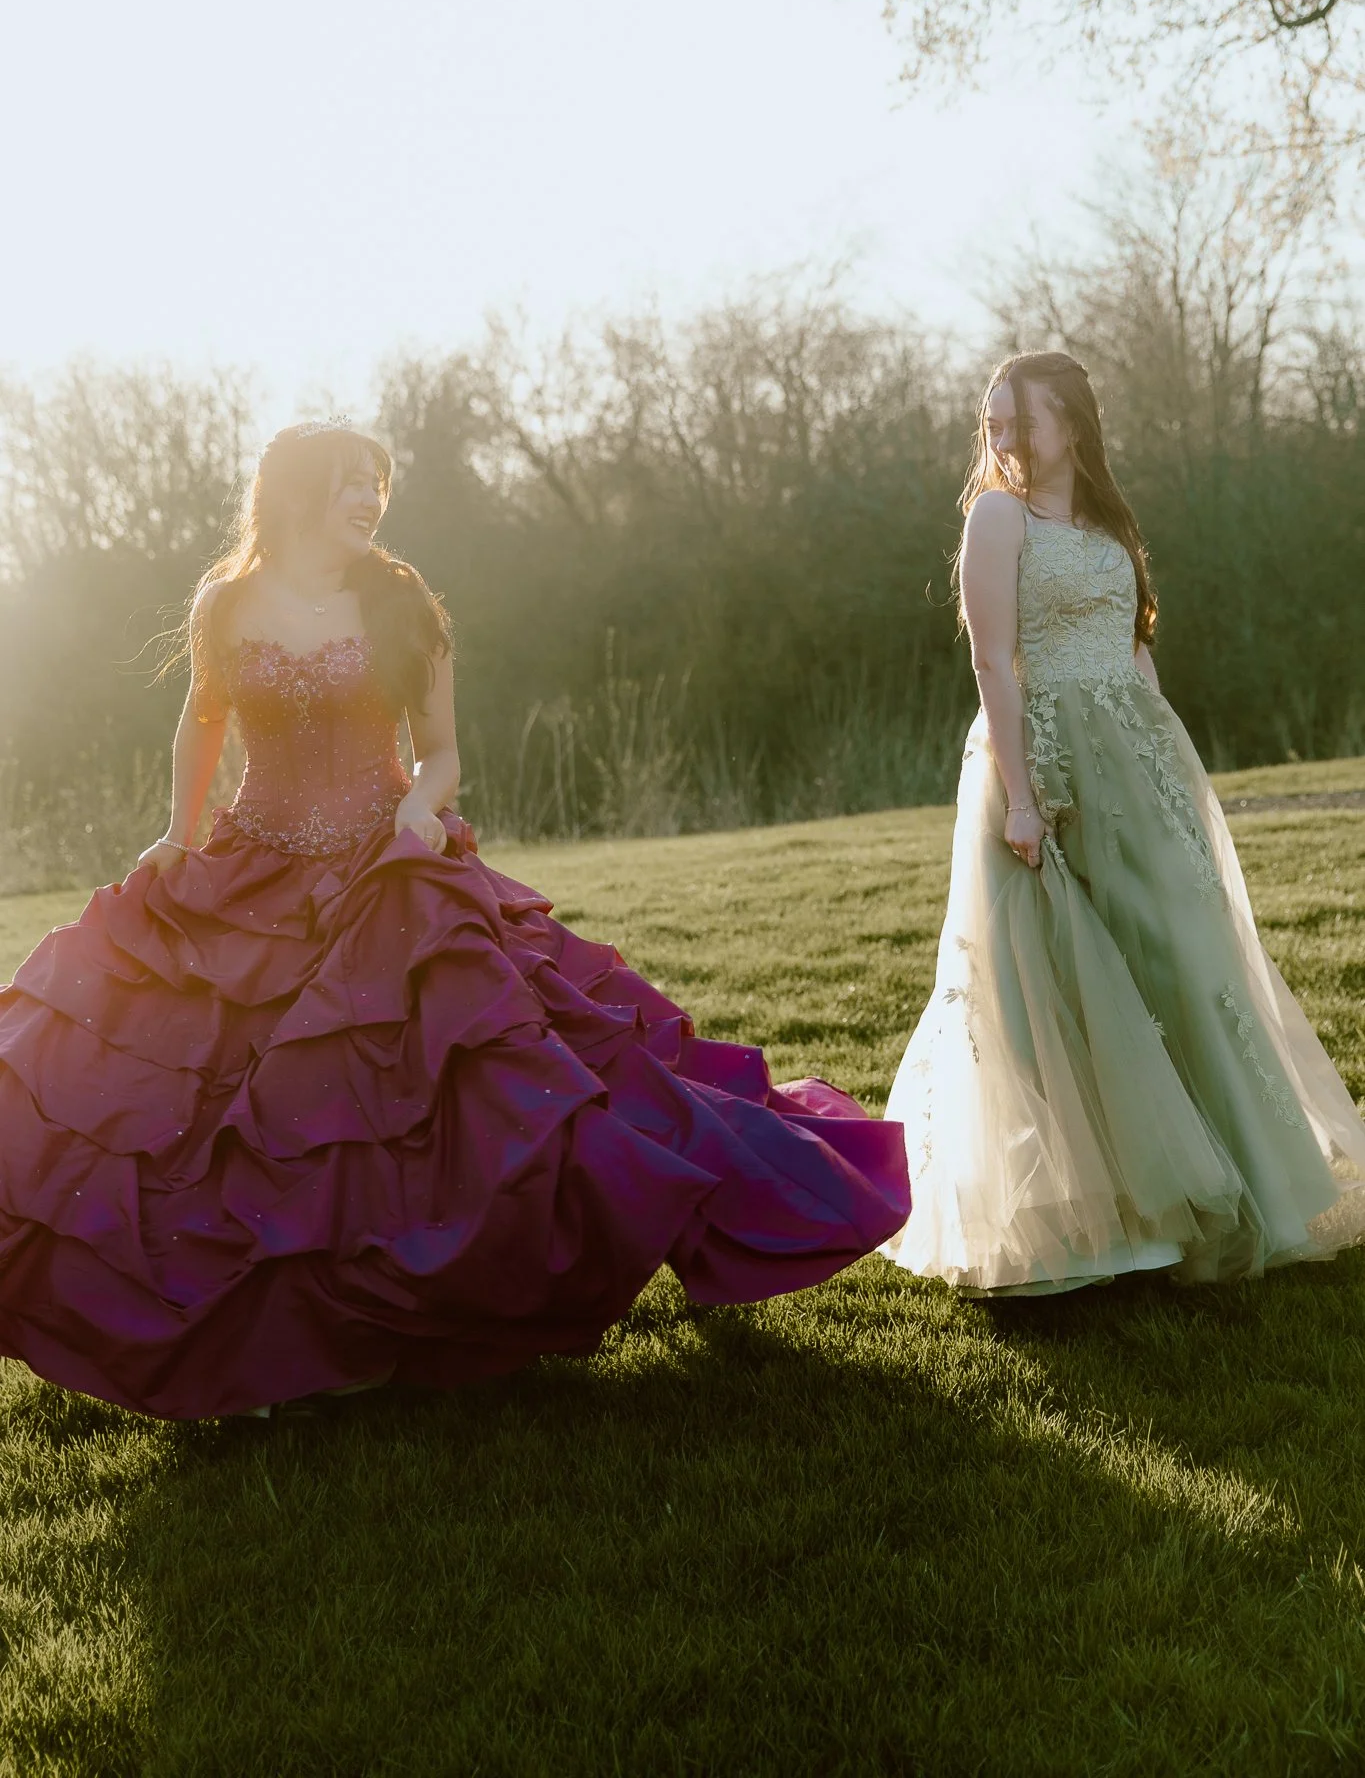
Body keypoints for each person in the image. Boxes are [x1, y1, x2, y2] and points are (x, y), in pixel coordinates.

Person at [0, 420, 909, 1418]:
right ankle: (262, 1330)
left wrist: (421, 809)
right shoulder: (226, 603)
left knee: (477, 1083)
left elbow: (439, 750)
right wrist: (176, 833)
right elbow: (201, 719)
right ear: (294, 491)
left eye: (376, 484)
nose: (368, 499)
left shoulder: (404, 603)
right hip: (254, 864)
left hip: (389, 864)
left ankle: (416, 1305)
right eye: (348, 482)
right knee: (234, 1103)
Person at [881, 351, 1365, 1294]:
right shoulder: (996, 516)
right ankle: (1111, 1216)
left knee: (1179, 953)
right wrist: (1021, 797)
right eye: (992, 421)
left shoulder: (1106, 522)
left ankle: (1232, 1185)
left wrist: (1170, 772)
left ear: (1070, 422)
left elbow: (1135, 650)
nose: (1002, 437)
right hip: (1041, 754)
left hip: (1133, 759)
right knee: (1060, 979)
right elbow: (991, 665)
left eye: (1019, 420)